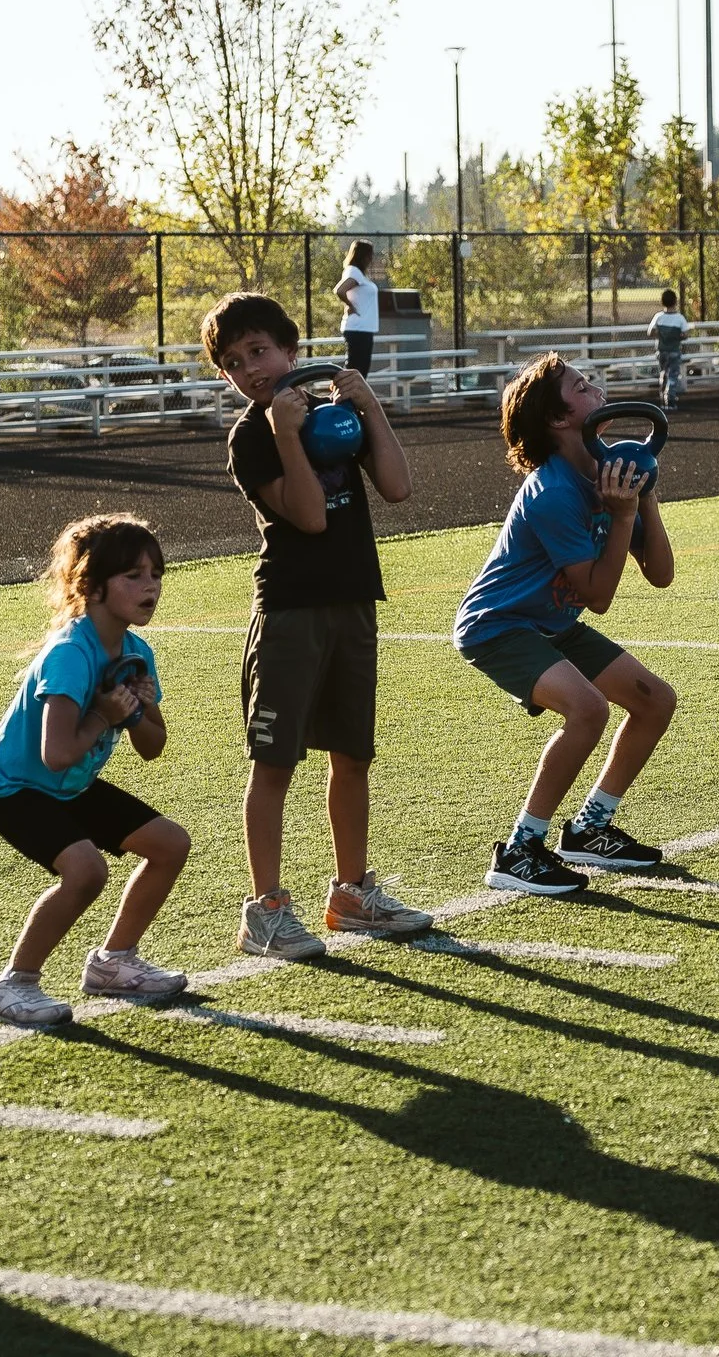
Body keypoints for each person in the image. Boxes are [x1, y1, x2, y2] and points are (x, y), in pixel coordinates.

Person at [205, 292, 435, 960]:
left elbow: (396, 486)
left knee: (352, 754)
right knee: (274, 763)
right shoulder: (251, 435)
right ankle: (266, 909)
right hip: (290, 611)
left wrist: (369, 406)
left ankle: (351, 891)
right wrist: (282, 429)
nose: (250, 368)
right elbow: (308, 515)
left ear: (291, 351)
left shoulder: (333, 413)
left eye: (259, 351)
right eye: (233, 362)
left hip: (353, 602)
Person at [453, 354, 679, 895]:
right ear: (559, 419)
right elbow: (598, 597)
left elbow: (662, 574)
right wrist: (623, 515)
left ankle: (589, 829)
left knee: (655, 701)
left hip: (550, 621)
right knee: (588, 708)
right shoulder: (553, 490)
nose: (595, 385)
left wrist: (644, 500)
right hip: (498, 624)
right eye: (580, 385)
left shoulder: (610, 471)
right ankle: (520, 849)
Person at [0, 514, 193, 1027]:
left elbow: (152, 747)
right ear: (91, 587)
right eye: (134, 576)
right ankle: (12, 985)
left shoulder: (136, 652)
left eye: (156, 574)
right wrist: (103, 716)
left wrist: (140, 710)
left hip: (69, 787)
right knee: (87, 871)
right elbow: (56, 753)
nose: (151, 586)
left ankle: (114, 963)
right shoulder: (70, 655)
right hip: (15, 788)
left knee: (169, 844)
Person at [334, 240, 382, 375]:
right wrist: (351, 306)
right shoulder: (353, 272)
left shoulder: (359, 274)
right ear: (362, 255)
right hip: (358, 329)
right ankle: (346, 396)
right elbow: (340, 290)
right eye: (369, 255)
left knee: (360, 371)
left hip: (364, 329)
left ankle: (352, 396)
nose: (371, 259)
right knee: (356, 371)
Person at [647, 288, 691, 408]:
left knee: (663, 373)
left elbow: (650, 332)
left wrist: (661, 335)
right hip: (674, 350)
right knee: (673, 375)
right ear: (675, 301)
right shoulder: (679, 318)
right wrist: (677, 336)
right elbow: (685, 334)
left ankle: (662, 399)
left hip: (662, 350)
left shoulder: (659, 317)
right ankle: (670, 400)